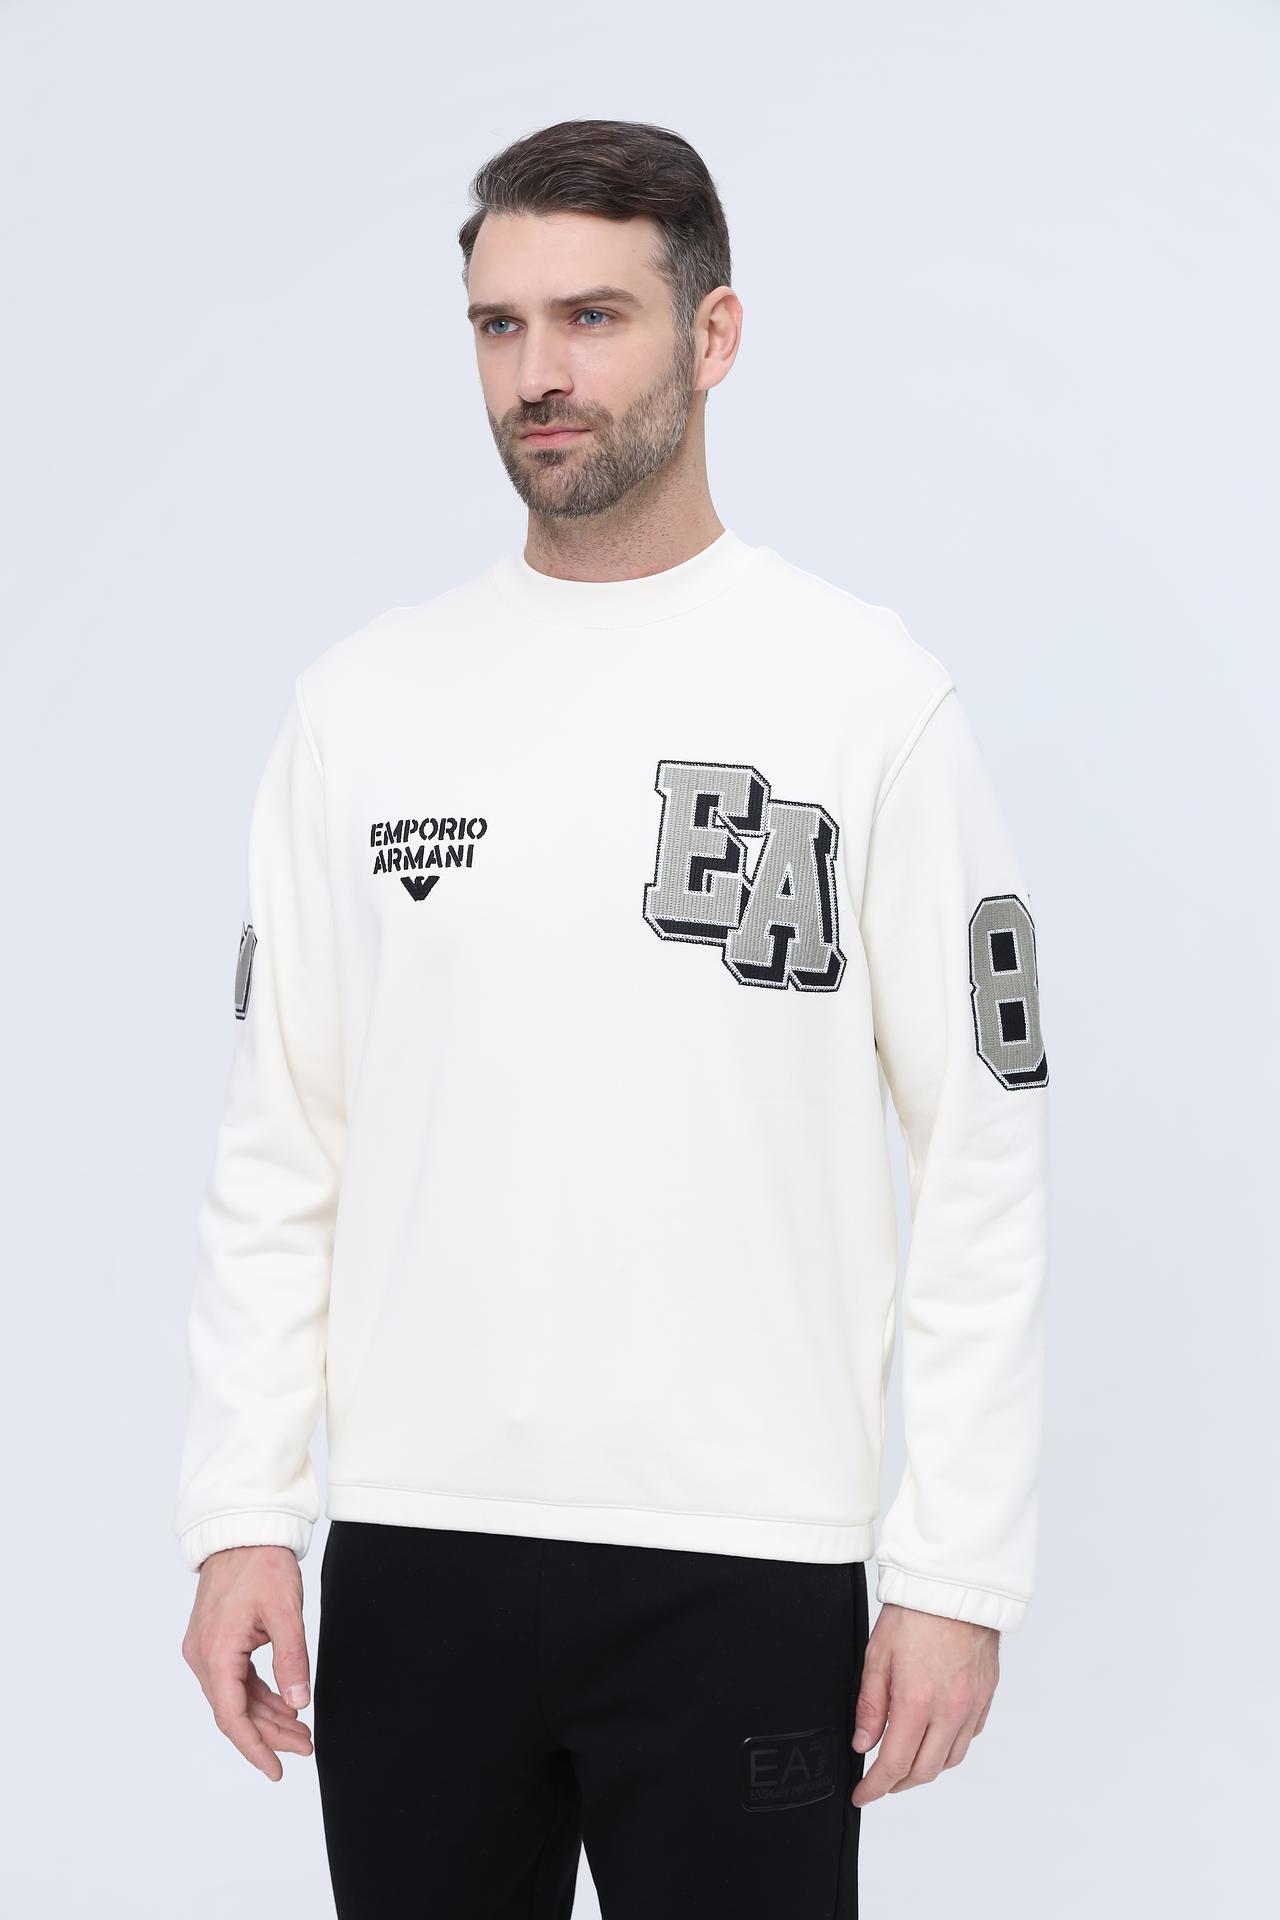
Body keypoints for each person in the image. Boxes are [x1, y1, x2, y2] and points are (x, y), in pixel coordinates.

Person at [176, 117, 1051, 1918]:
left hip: (745, 1560)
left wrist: (956, 1568)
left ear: (712, 335)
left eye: (591, 317)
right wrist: (240, 1511)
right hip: (420, 1551)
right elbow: (283, 1146)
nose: (538, 375)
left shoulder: (866, 699)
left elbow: (984, 1151)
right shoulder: (362, 707)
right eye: (499, 326)